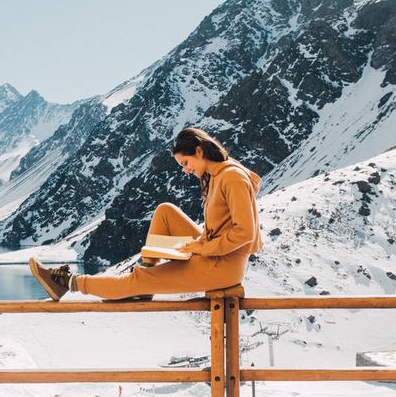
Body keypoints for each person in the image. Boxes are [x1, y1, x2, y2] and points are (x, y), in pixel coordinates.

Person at [29, 127, 263, 300]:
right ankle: (144, 277)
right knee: (165, 211)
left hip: (222, 268)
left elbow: (245, 234)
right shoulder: (217, 176)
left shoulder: (231, 177)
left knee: (137, 280)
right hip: (215, 255)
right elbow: (219, 228)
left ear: (199, 151)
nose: (185, 170)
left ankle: (68, 283)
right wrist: (199, 242)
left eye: (185, 162)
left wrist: (202, 248)